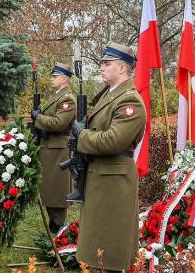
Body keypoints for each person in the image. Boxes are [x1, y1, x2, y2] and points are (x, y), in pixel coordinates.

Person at [71, 42, 146, 272]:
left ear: (122, 68)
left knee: (110, 249)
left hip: (114, 182)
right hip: (102, 178)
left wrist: (82, 136)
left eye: (107, 63)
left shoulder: (130, 101)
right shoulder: (110, 96)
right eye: (102, 63)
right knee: (96, 245)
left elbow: (113, 141)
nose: (101, 67)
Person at [30, 62, 76, 234]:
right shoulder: (57, 96)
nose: (51, 79)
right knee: (50, 189)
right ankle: (54, 226)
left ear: (64, 78)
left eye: (55, 76)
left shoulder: (67, 99)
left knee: (57, 190)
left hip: (58, 150)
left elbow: (58, 123)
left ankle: (58, 226)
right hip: (49, 148)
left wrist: (39, 118)